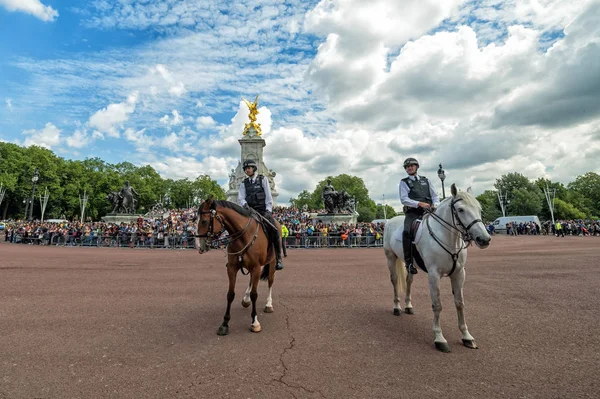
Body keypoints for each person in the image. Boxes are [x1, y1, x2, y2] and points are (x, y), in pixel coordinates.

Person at [238, 159, 284, 270]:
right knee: (238, 229)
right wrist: (245, 204)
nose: (247, 170)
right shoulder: (244, 183)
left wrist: (268, 210)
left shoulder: (263, 179)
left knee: (274, 230)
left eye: (248, 168)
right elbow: (240, 198)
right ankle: (237, 257)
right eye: (245, 169)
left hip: (263, 211)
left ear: (254, 168)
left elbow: (268, 196)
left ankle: (278, 258)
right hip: (250, 211)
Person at [399, 157, 440, 274]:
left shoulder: (426, 180)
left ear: (416, 167)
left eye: (411, 166)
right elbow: (404, 199)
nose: (409, 168)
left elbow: (435, 196)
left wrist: (435, 204)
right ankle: (409, 262)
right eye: (407, 167)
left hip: (429, 211)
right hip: (413, 212)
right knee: (406, 232)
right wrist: (419, 203)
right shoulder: (404, 182)